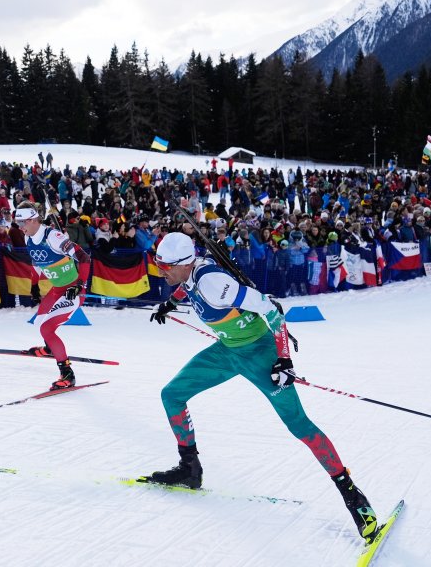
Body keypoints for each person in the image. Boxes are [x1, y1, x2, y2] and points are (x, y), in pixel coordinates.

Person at [146, 232, 378, 543]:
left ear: (185, 262)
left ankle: (354, 497)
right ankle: (190, 469)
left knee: (300, 426)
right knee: (171, 395)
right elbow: (186, 288)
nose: (160, 271)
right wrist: (168, 304)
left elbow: (271, 310)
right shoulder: (187, 275)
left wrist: (283, 359)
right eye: (158, 264)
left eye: (164, 266)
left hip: (260, 354)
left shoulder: (214, 282)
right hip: (227, 351)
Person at [14, 204, 91, 390]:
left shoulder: (53, 237)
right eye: (17, 222)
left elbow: (84, 257)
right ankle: (50, 349)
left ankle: (67, 373)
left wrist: (80, 285)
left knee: (47, 329)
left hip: (72, 290)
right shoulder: (28, 237)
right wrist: (34, 286)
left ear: (32, 220)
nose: (19, 227)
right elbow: (36, 262)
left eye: (21, 222)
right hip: (57, 290)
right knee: (40, 323)